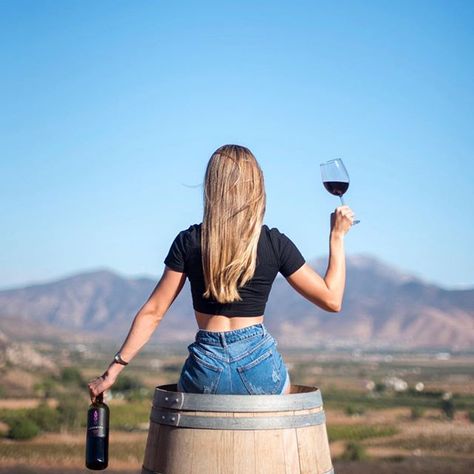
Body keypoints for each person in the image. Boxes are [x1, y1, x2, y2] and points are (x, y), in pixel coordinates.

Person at [88, 144, 354, 402]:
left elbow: (153, 312)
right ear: (256, 186)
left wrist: (113, 371)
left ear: (212, 185)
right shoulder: (274, 242)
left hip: (205, 367)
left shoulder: (189, 240)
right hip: (259, 365)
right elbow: (332, 300)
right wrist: (337, 236)